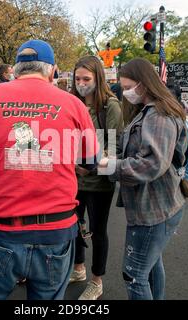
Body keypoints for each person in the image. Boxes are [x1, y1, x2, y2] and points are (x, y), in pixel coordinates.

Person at [0, 39, 99, 300]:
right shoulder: (74, 105)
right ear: (53, 71)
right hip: (56, 230)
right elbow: (90, 161)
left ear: (16, 70)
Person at [98, 57, 188, 300]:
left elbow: (151, 164)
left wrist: (110, 166)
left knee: (134, 275)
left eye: (128, 87)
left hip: (153, 210)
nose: (126, 93)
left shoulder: (158, 115)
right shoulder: (149, 111)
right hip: (156, 206)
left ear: (144, 83)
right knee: (150, 266)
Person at [69, 55, 123, 300]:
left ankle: (96, 280)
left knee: (98, 231)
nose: (81, 83)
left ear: (98, 78)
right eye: (78, 78)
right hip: (73, 179)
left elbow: (115, 146)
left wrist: (90, 166)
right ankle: (78, 268)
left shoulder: (110, 105)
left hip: (99, 181)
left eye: (86, 78)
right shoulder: (72, 102)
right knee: (74, 226)